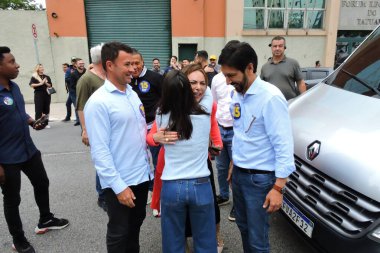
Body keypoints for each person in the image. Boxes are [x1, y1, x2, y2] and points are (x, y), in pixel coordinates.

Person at [219, 41, 295, 253]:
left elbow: (284, 144)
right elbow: (242, 133)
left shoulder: (270, 98)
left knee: (257, 239)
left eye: (231, 75)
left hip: (260, 180)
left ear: (250, 68)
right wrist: (235, 162)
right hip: (240, 175)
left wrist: (278, 187)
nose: (227, 81)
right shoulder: (237, 94)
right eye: (225, 75)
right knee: (243, 228)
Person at [84, 42, 152, 253]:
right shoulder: (99, 102)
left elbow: (136, 133)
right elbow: (100, 151)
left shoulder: (131, 93)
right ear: (110, 65)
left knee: (135, 227)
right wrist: (118, 186)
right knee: (119, 232)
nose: (133, 68)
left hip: (141, 176)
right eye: (127, 64)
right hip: (120, 182)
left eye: (134, 63)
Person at [148, 63, 224, 251]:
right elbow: (206, 94)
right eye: (192, 83)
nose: (198, 88)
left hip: (171, 186)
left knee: (173, 243)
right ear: (184, 86)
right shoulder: (205, 110)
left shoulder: (161, 115)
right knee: (206, 242)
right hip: (200, 184)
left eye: (201, 83)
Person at [0, 46, 69, 253]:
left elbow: (20, 113)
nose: (17, 64)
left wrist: (32, 122)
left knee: (42, 182)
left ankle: (45, 219)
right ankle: (18, 239)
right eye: (11, 62)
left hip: (28, 150)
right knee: (12, 199)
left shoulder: (14, 87)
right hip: (7, 157)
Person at [76, 44, 107, 212]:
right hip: (95, 128)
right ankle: (102, 195)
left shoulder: (106, 76)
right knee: (101, 160)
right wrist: (85, 130)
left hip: (107, 127)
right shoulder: (86, 79)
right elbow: (80, 106)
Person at [131, 49, 163, 204]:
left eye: (137, 63)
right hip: (135, 128)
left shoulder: (155, 78)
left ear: (143, 62)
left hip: (153, 126)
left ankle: (156, 191)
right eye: (131, 63)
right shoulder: (126, 80)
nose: (134, 66)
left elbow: (166, 97)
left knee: (157, 160)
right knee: (141, 160)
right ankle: (146, 188)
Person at [211, 70, 236, 221]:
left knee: (236, 170)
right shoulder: (216, 79)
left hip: (235, 129)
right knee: (221, 167)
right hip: (220, 127)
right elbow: (215, 102)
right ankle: (224, 195)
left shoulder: (239, 77)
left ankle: (238, 204)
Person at [260, 36, 306, 100]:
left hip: (290, 104)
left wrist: (304, 99)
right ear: (271, 47)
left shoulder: (293, 63)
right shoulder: (265, 67)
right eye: (275, 46)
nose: (277, 48)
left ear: (284, 48)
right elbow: (261, 87)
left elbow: (300, 83)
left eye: (280, 46)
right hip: (271, 105)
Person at [29, 64, 53, 128]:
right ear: (37, 69)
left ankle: (46, 123)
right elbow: (31, 85)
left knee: (46, 109)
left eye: (42, 67)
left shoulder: (47, 77)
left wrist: (45, 83)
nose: (42, 68)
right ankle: (38, 124)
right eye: (40, 67)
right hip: (38, 94)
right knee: (38, 109)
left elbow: (50, 85)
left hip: (47, 94)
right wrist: (41, 83)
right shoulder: (34, 76)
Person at [70, 58, 86, 126]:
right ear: (76, 65)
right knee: (79, 107)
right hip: (76, 94)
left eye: (83, 63)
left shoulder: (87, 72)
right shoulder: (73, 74)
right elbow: (72, 86)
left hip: (86, 93)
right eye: (80, 64)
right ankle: (80, 122)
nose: (82, 65)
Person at [62, 57, 77, 122]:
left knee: (75, 104)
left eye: (65, 67)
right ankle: (68, 117)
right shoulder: (67, 72)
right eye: (63, 67)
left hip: (73, 90)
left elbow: (70, 79)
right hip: (71, 91)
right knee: (68, 104)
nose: (64, 68)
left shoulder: (72, 70)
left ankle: (77, 119)